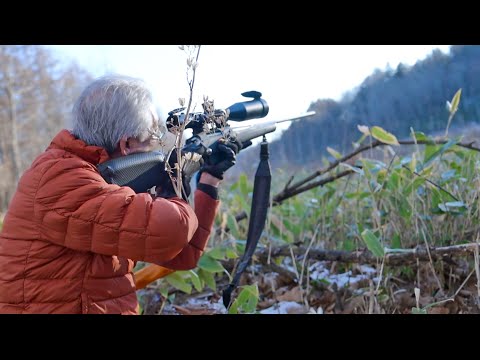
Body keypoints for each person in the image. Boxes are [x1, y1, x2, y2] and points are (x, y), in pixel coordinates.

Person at [0, 74, 241, 314]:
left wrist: (208, 180)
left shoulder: (98, 182)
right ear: (126, 145)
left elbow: (182, 255)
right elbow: (173, 229)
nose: (155, 149)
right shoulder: (61, 179)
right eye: (150, 143)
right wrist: (175, 181)